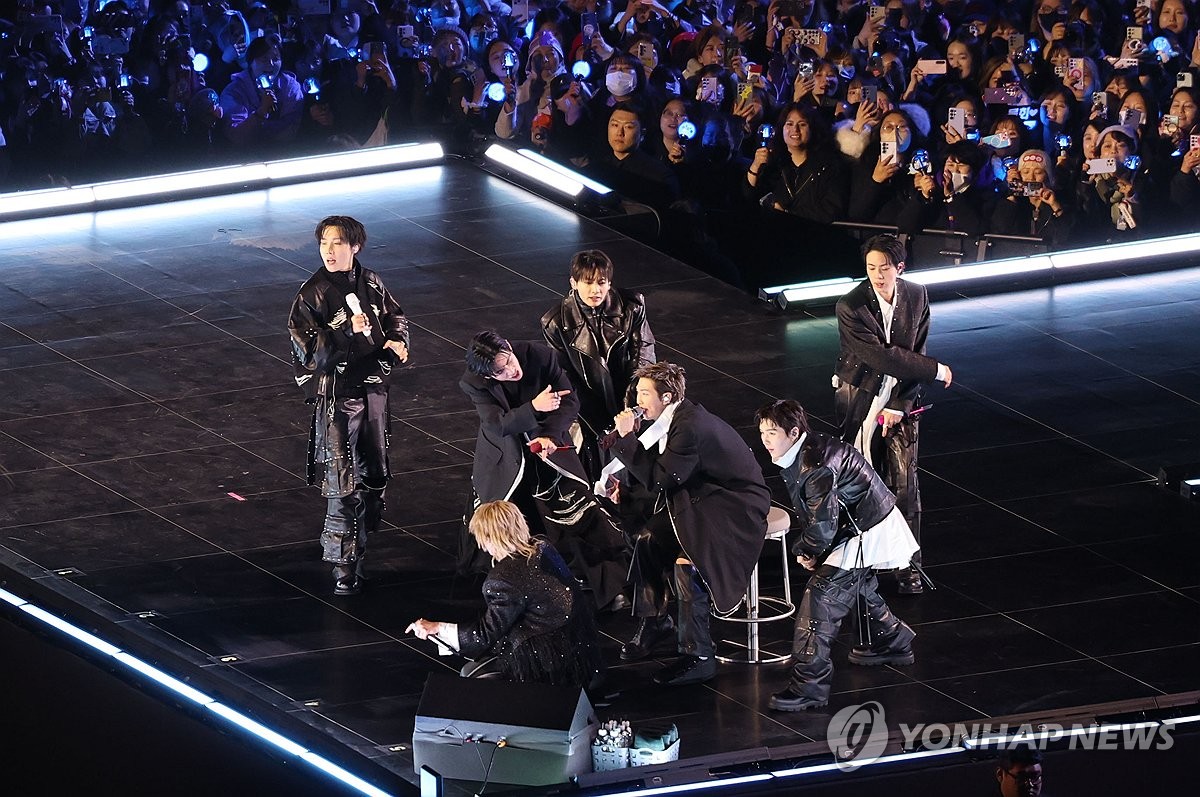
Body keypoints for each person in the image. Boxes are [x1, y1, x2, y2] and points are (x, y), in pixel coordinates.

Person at [607, 362, 769, 686]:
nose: (637, 401)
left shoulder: (689, 426)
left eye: (644, 394)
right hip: (704, 496)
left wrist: (626, 438)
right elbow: (665, 473)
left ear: (666, 397)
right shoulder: (675, 419)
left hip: (734, 506)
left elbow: (663, 479)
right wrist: (626, 491)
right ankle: (654, 621)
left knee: (687, 564)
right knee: (648, 540)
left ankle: (699, 656)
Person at [755, 399, 919, 712]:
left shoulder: (814, 465)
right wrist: (813, 547)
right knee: (855, 586)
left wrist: (806, 550)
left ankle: (809, 687)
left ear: (793, 432)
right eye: (763, 432)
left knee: (820, 602)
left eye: (772, 432)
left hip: (866, 528)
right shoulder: (805, 453)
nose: (765, 440)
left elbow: (822, 526)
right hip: (863, 523)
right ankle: (891, 640)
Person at [459, 331, 628, 611]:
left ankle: (610, 588)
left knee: (579, 512)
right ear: (488, 375)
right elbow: (498, 425)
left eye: (509, 360)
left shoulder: (539, 356)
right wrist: (534, 408)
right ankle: (520, 588)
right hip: (506, 458)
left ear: (509, 346)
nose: (512, 370)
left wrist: (549, 434)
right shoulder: (474, 382)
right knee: (508, 522)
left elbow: (570, 401)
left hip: (550, 449)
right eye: (501, 371)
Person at [288, 216, 410, 596]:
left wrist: (397, 343)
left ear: (354, 247)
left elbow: (395, 317)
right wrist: (344, 330)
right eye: (324, 243)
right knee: (341, 484)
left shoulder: (370, 281)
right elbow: (308, 351)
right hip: (338, 397)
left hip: (373, 391)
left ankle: (362, 549)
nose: (329, 250)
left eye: (338, 243)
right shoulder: (312, 294)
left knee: (375, 477)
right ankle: (343, 567)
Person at [834, 233, 952, 594]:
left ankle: (908, 565)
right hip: (861, 396)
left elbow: (916, 349)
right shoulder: (851, 305)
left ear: (899, 268)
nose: (877, 275)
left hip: (901, 396)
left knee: (905, 485)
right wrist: (935, 370)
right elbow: (881, 356)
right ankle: (854, 563)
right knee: (859, 481)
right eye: (871, 268)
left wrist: (900, 405)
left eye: (884, 268)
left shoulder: (916, 294)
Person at [406, 501, 603, 688]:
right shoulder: (542, 546)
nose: (481, 546)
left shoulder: (502, 579)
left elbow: (483, 635)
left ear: (491, 538)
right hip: (580, 648)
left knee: (470, 674)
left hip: (548, 660)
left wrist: (438, 628)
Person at [540, 249, 656, 479]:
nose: (596, 290)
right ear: (574, 283)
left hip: (631, 391)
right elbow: (568, 379)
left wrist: (632, 407)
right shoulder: (555, 322)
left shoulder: (632, 306)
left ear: (609, 282)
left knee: (644, 461)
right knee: (600, 465)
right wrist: (604, 426)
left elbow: (643, 355)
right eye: (588, 282)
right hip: (590, 403)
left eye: (601, 282)